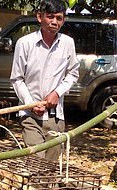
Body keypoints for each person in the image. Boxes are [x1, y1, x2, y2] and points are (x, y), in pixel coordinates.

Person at [10, 0, 79, 161]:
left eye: (59, 18)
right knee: (35, 160)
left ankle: (47, 188)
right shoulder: (25, 43)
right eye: (50, 17)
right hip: (30, 115)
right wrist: (31, 103)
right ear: (40, 17)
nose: (54, 22)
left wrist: (57, 93)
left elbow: (73, 73)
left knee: (52, 163)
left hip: (55, 115)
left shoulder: (68, 44)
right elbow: (17, 78)